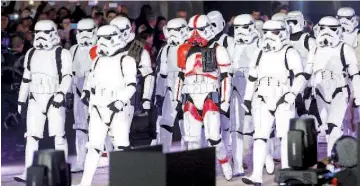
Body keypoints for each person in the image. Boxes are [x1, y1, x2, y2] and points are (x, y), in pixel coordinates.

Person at [241, 20, 306, 185]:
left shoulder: (289, 52)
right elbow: (252, 77)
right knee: (260, 137)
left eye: (274, 32)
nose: (269, 36)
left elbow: (300, 76)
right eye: (266, 32)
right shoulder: (260, 52)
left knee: (284, 138)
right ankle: (256, 175)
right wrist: (247, 98)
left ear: (283, 32)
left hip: (282, 98)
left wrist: (292, 93)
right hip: (262, 97)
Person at [172, 14, 233, 181]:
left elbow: (227, 76)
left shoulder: (218, 49)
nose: (195, 33)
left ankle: (225, 163)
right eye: (192, 29)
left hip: (209, 95)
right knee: (192, 140)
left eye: (199, 29)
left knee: (214, 138)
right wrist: (176, 99)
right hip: (190, 96)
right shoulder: (183, 49)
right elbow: (180, 76)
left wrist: (225, 101)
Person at [75, 25, 137, 186]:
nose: (102, 42)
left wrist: (120, 100)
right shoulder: (97, 60)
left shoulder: (127, 59)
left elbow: (131, 85)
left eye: (106, 38)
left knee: (121, 145)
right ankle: (85, 182)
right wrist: (86, 92)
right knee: (94, 146)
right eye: (100, 38)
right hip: (98, 106)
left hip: (117, 107)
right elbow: (91, 79)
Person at [14, 20, 72, 182]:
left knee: (59, 136)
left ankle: (61, 171)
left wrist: (61, 94)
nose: (41, 36)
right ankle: (28, 171)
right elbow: (26, 78)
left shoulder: (62, 54)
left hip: (54, 97)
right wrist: (21, 100)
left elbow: (67, 76)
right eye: (37, 32)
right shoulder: (31, 53)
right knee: (32, 137)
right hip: (35, 98)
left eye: (46, 33)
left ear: (53, 33)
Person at [305, 16, 360, 156]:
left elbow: (355, 74)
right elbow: (307, 72)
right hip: (320, 91)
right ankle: (334, 156)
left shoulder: (345, 48)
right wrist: (304, 90)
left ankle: (331, 160)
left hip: (339, 90)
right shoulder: (315, 49)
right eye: (323, 29)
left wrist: (358, 95)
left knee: (334, 125)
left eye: (332, 29)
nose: (327, 33)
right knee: (326, 128)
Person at [230, 14, 263, 177]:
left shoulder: (261, 43)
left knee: (257, 127)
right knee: (236, 127)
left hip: (255, 89)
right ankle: (238, 163)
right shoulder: (231, 44)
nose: (240, 31)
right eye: (236, 27)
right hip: (235, 87)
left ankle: (263, 158)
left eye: (243, 27)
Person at [154, 18, 188, 151]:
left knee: (188, 125)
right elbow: (161, 74)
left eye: (176, 30)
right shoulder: (165, 50)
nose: (173, 34)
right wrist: (159, 95)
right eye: (171, 30)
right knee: (165, 123)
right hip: (170, 89)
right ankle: (164, 153)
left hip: (187, 89)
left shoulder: (190, 47)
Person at [70, 18, 98, 173]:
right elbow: (69, 73)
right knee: (80, 127)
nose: (84, 35)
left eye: (88, 31)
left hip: (98, 93)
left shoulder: (102, 48)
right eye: (81, 31)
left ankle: (112, 156)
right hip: (78, 93)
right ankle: (81, 160)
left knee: (103, 127)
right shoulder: (73, 50)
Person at [207, 9, 235, 157]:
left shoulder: (228, 41)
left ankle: (225, 154)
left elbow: (232, 66)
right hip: (209, 85)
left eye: (212, 24)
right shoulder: (204, 41)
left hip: (225, 83)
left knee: (225, 122)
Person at [337, 7, 360, 137]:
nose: (344, 23)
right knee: (342, 112)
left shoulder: (358, 35)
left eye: (347, 19)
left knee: (357, 110)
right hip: (340, 77)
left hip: (356, 76)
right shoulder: (335, 35)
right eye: (341, 19)